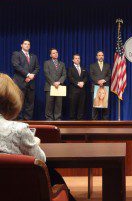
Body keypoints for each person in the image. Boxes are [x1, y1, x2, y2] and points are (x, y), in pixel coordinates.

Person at [0, 73, 76, 201]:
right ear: (10, 100)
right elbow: (41, 160)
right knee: (51, 173)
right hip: (20, 193)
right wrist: (34, 141)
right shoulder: (19, 130)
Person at [11, 39, 40, 120]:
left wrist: (31, 76)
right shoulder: (16, 54)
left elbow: (37, 68)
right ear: (21, 45)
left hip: (31, 84)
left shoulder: (33, 56)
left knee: (30, 104)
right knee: (19, 103)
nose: (27, 45)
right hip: (20, 83)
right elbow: (16, 66)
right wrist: (27, 75)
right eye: (25, 44)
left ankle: (28, 121)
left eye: (28, 44)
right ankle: (19, 121)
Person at [44, 48, 66, 121]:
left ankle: (57, 118)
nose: (55, 54)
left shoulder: (62, 63)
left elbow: (64, 75)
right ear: (50, 55)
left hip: (59, 87)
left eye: (56, 52)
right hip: (50, 86)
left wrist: (59, 82)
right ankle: (49, 118)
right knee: (49, 104)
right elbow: (47, 74)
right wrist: (53, 82)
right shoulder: (47, 63)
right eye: (53, 53)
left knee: (58, 104)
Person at [90, 51, 111, 120]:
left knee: (105, 106)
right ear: (97, 57)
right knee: (95, 106)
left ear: (103, 57)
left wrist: (103, 80)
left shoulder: (107, 65)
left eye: (102, 55)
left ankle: (105, 121)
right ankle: (94, 121)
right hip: (96, 87)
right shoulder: (92, 65)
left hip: (105, 87)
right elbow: (91, 75)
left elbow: (109, 75)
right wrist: (98, 81)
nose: (101, 56)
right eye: (99, 55)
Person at [68, 54, 88, 120]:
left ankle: (80, 119)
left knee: (81, 105)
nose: (77, 59)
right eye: (76, 58)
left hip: (82, 90)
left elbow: (86, 77)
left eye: (78, 58)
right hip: (74, 90)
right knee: (73, 105)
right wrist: (77, 83)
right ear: (73, 60)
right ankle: (72, 119)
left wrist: (83, 82)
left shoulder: (83, 69)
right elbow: (70, 78)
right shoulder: (70, 69)